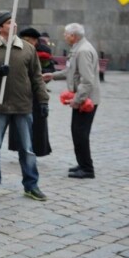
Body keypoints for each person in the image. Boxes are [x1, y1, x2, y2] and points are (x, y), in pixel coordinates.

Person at [0, 11, 49, 201]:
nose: (13, 24)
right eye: (8, 22)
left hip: (22, 106)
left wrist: (43, 100)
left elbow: (37, 77)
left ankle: (31, 185)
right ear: (0, 27)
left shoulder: (27, 49)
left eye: (14, 21)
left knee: (27, 149)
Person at [43, 23, 100, 179]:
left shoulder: (83, 51)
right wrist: (52, 76)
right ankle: (82, 164)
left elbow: (87, 80)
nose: (64, 36)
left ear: (74, 36)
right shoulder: (79, 48)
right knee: (77, 133)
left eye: (66, 34)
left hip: (85, 100)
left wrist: (77, 99)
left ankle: (87, 169)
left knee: (80, 134)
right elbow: (70, 71)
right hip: (82, 98)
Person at [10, 27, 53, 157]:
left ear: (35, 41)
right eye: (25, 40)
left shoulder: (44, 50)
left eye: (31, 40)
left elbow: (50, 67)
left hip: (36, 92)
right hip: (19, 92)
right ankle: (20, 147)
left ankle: (37, 149)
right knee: (19, 121)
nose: (28, 43)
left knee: (37, 123)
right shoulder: (16, 49)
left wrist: (42, 75)